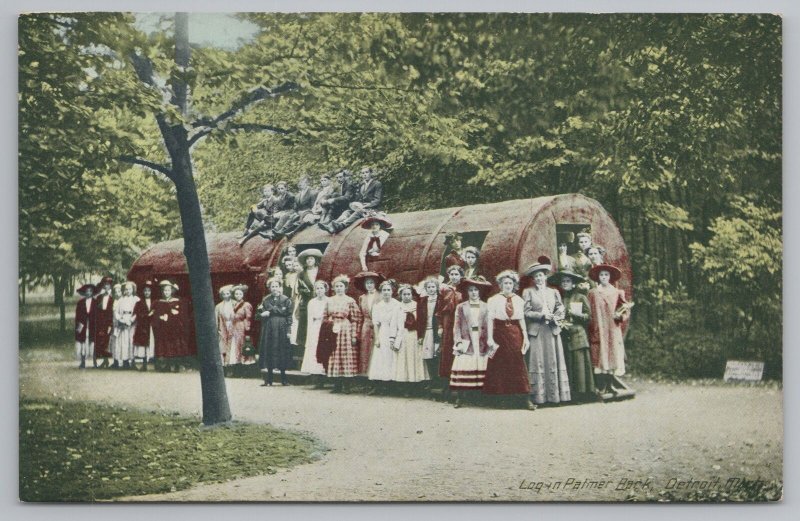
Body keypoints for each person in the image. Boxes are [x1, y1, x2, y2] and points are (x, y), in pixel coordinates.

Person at [482, 270, 535, 410]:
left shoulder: (518, 300)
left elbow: (521, 319)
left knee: (518, 363)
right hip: (499, 333)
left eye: (510, 283)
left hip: (515, 333)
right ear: (500, 285)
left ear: (514, 285)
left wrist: (525, 337)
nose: (508, 285)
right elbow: (490, 320)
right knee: (500, 365)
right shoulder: (493, 300)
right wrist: (490, 339)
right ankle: (503, 399)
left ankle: (525, 399)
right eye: (505, 283)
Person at [523, 256, 571, 405]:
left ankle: (555, 397)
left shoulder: (553, 291)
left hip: (552, 330)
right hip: (537, 331)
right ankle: (538, 397)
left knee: (552, 361)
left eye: (541, 275)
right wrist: (541, 315)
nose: (539, 278)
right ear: (533, 278)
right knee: (538, 362)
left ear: (545, 276)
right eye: (536, 276)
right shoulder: (528, 292)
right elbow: (526, 312)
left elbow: (560, 307)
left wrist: (558, 314)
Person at [548, 270, 595, 402]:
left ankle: (583, 395)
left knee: (579, 365)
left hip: (578, 334)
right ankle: (571, 395)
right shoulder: (560, 299)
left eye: (568, 281)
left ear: (573, 283)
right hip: (565, 335)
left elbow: (588, 317)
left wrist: (575, 314)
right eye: (563, 282)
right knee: (569, 365)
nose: (565, 284)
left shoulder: (580, 297)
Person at [588, 264, 633, 393]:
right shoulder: (593, 293)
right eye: (601, 275)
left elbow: (625, 309)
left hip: (612, 328)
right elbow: (589, 310)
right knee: (600, 356)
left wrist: (620, 316)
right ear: (597, 277)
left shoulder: (616, 292)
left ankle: (610, 385)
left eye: (606, 275)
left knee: (612, 355)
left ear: (610, 277)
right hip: (599, 328)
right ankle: (600, 386)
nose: (604, 277)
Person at [449, 277, 492, 408]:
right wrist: (458, 342)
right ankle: (460, 397)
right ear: (467, 292)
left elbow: (490, 324)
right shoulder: (461, 307)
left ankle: (478, 396)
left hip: (481, 339)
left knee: (480, 365)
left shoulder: (486, 306)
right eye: (471, 290)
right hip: (467, 339)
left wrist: (490, 339)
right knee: (465, 365)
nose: (474, 293)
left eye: (476, 290)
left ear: (480, 292)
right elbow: (456, 326)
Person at [316, 275, 363, 393]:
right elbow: (324, 316)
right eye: (337, 286)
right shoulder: (329, 300)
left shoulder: (350, 301)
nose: (339, 288)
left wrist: (354, 335)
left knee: (345, 355)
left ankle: (347, 385)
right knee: (333, 354)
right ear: (333, 288)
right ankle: (336, 385)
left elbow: (356, 319)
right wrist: (328, 326)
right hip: (332, 330)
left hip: (345, 329)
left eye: (341, 286)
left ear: (345, 287)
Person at [367, 279, 403, 392]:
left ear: (392, 291)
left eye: (388, 290)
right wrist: (377, 338)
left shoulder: (397, 304)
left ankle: (394, 386)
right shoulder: (377, 306)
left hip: (395, 332)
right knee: (381, 358)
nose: (386, 292)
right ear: (381, 292)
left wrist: (397, 337)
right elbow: (376, 324)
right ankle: (380, 385)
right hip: (383, 332)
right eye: (384, 290)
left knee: (394, 357)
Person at [257, 278, 294, 386]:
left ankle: (283, 379)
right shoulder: (266, 299)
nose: (275, 289)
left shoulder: (286, 299)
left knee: (281, 350)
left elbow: (288, 315)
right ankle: (269, 379)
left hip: (281, 327)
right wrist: (262, 314)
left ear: (280, 287)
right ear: (269, 288)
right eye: (272, 286)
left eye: (276, 286)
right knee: (269, 350)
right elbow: (259, 313)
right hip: (269, 327)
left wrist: (288, 330)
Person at [325, 167, 384, 233]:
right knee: (347, 211)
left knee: (358, 212)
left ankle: (342, 225)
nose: (364, 174)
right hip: (361, 207)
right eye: (362, 173)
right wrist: (354, 204)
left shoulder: (377, 184)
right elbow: (359, 199)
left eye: (366, 172)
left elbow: (377, 200)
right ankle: (331, 225)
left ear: (371, 173)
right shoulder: (362, 185)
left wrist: (367, 205)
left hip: (372, 208)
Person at [395, 284, 429, 387]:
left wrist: (421, 336)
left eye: (408, 294)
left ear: (411, 295)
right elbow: (395, 323)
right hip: (403, 334)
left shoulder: (417, 305)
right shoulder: (397, 306)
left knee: (415, 357)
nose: (406, 296)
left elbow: (422, 321)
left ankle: (416, 384)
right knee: (404, 358)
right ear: (401, 295)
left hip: (414, 334)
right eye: (404, 294)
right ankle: (405, 385)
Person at [151, 280, 189, 371]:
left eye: (168, 290)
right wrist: (160, 317)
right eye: (164, 291)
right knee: (165, 346)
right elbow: (156, 313)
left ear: (171, 291)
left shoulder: (177, 301)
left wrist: (175, 314)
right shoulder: (159, 302)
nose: (166, 292)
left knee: (175, 345)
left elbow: (181, 314)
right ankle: (167, 365)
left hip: (174, 327)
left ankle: (176, 365)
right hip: (164, 327)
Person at [354, 271, 384, 375]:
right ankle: (365, 375)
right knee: (365, 350)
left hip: (378, 326)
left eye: (371, 283)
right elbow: (360, 315)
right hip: (366, 326)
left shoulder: (381, 295)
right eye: (367, 283)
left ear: (375, 283)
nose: (369, 285)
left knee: (377, 350)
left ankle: (377, 376)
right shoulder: (362, 297)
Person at [417, 276, 444, 392]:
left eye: (433, 287)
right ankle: (432, 380)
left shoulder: (441, 300)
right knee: (428, 357)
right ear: (426, 289)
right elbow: (419, 319)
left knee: (437, 355)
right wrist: (420, 336)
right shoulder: (422, 301)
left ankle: (440, 381)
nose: (431, 289)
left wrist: (441, 327)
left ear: (437, 288)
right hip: (426, 331)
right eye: (429, 287)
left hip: (437, 331)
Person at [300, 280, 329, 383]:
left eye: (321, 288)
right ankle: (316, 377)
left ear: (325, 289)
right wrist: (310, 332)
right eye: (317, 288)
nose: (319, 290)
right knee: (314, 349)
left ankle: (324, 375)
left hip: (325, 327)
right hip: (315, 327)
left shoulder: (329, 301)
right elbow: (310, 319)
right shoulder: (312, 302)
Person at [295, 248, 323, 350]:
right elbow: (299, 287)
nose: (309, 261)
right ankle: (303, 346)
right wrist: (305, 292)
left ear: (315, 260)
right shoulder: (302, 274)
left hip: (319, 299)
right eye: (307, 259)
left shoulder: (320, 271)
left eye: (311, 258)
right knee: (305, 321)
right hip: (306, 301)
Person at [132, 281, 156, 371]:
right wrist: (147, 315)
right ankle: (144, 364)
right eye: (145, 291)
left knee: (152, 343)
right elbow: (138, 314)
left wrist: (153, 315)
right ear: (143, 292)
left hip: (152, 325)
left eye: (149, 291)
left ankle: (154, 361)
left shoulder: (154, 302)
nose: (147, 292)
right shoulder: (140, 302)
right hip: (143, 326)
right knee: (143, 344)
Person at [116, 282, 139, 370]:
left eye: (130, 289)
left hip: (132, 321)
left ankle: (132, 361)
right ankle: (125, 361)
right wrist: (121, 320)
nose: (128, 291)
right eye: (126, 289)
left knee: (132, 341)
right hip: (123, 320)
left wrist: (131, 320)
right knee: (124, 342)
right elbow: (116, 312)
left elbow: (138, 312)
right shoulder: (121, 300)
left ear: (133, 290)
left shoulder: (136, 299)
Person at [93, 276, 114, 368]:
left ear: (110, 286)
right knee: (99, 340)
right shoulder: (99, 298)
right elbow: (96, 310)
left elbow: (112, 312)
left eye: (108, 285)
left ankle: (106, 360)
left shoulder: (113, 298)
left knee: (106, 341)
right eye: (105, 285)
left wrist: (110, 324)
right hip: (100, 321)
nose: (106, 287)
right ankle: (98, 360)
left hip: (108, 321)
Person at [230, 284, 254, 365]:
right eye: (236, 294)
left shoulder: (246, 305)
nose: (238, 296)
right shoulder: (232, 304)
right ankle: (236, 361)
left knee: (242, 342)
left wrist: (247, 327)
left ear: (243, 294)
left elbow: (248, 317)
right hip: (233, 325)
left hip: (241, 325)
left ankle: (244, 360)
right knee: (235, 343)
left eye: (240, 294)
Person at [74, 283, 95, 369]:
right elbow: (78, 316)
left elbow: (98, 315)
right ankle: (83, 361)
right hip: (83, 325)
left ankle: (95, 362)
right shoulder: (80, 303)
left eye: (90, 291)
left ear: (92, 292)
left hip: (92, 325)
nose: (88, 293)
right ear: (84, 292)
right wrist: (78, 326)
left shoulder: (96, 302)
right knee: (83, 342)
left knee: (93, 343)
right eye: (86, 291)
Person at [215, 285, 236, 365]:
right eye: (224, 294)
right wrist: (217, 329)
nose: (226, 296)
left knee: (232, 343)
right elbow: (216, 318)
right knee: (222, 344)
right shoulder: (218, 306)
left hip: (233, 324)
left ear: (230, 294)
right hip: (223, 326)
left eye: (228, 293)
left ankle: (231, 362)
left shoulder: (235, 303)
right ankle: (223, 363)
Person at [110, 283, 124, 369]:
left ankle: (122, 361)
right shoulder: (113, 301)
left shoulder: (123, 301)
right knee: (114, 343)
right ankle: (115, 361)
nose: (117, 293)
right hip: (114, 324)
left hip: (121, 323)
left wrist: (121, 321)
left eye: (119, 291)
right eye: (115, 292)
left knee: (121, 343)